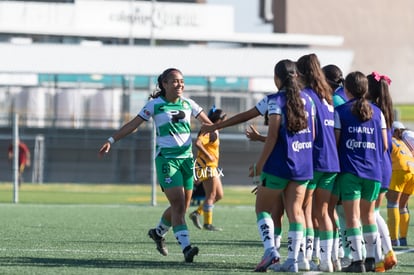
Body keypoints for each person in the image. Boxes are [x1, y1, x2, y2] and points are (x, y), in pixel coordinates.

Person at [98, 68, 211, 263]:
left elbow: (208, 124)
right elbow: (133, 124)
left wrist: (212, 131)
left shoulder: (189, 103)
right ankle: (186, 249)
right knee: (177, 203)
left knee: (182, 206)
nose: (180, 85)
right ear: (164, 84)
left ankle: (158, 233)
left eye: (182, 81)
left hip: (186, 160)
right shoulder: (155, 105)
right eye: (175, 81)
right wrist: (111, 140)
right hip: (166, 160)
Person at [252, 59, 315, 272]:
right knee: (296, 212)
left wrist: (260, 164)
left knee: (262, 209)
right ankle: (294, 261)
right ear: (296, 76)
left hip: (279, 165)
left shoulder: (275, 100)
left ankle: (271, 251)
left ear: (277, 77)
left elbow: (272, 137)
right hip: (304, 165)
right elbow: (313, 135)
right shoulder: (309, 100)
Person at [334, 71, 387, 273]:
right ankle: (372, 259)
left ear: (346, 90)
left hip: (350, 172)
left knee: (352, 218)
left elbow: (336, 142)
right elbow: (383, 145)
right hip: (374, 172)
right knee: (369, 216)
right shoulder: (378, 113)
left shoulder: (341, 111)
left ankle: (357, 261)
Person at [296, 53, 340, 272]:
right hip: (332, 161)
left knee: (304, 209)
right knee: (323, 212)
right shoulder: (327, 96)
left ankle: (305, 256)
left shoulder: (306, 96)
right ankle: (330, 259)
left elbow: (306, 131)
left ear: (301, 73)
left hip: (314, 159)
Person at [366, 71, 398, 272]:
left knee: (370, 213)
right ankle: (388, 252)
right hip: (385, 166)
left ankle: (380, 256)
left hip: (375, 164)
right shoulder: (386, 111)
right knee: (375, 212)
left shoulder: (372, 111)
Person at [189, 106, 227, 231]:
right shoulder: (210, 131)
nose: (225, 123)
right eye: (224, 120)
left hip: (212, 166)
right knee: (211, 194)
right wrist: (207, 154)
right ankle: (208, 224)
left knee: (219, 195)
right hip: (206, 165)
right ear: (219, 120)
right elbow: (198, 143)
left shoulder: (214, 131)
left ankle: (197, 213)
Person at [386, 121, 414, 249]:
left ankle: (393, 239)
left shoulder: (391, 140)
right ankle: (403, 238)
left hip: (399, 170)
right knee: (403, 206)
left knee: (393, 204)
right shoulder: (405, 143)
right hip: (412, 171)